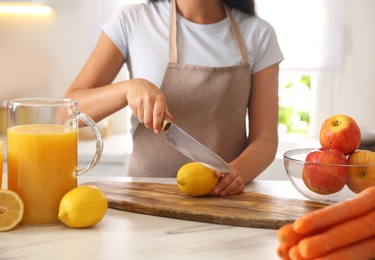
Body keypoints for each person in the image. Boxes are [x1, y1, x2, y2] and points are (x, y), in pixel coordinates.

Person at [64, 0, 284, 196]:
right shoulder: (132, 21)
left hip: (224, 200)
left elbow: (265, 139)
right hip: (145, 201)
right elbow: (64, 114)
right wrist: (127, 89)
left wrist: (236, 173)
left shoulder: (259, 34)